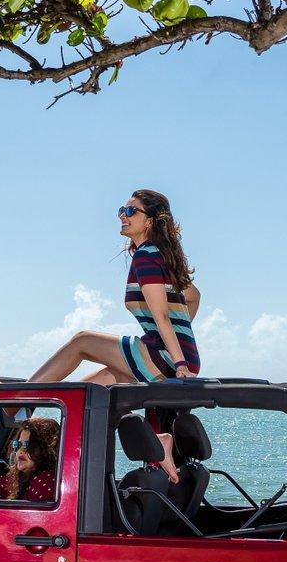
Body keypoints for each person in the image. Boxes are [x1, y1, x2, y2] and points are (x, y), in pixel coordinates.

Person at [24, 189, 200, 480]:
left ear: (151, 222)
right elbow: (194, 297)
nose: (122, 215)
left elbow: (162, 316)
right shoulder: (164, 259)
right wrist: (182, 339)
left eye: (131, 211)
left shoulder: (146, 257)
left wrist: (178, 361)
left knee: (82, 341)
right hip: (172, 355)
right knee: (86, 393)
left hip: (166, 358)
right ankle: (159, 441)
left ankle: (19, 402)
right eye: (122, 209)